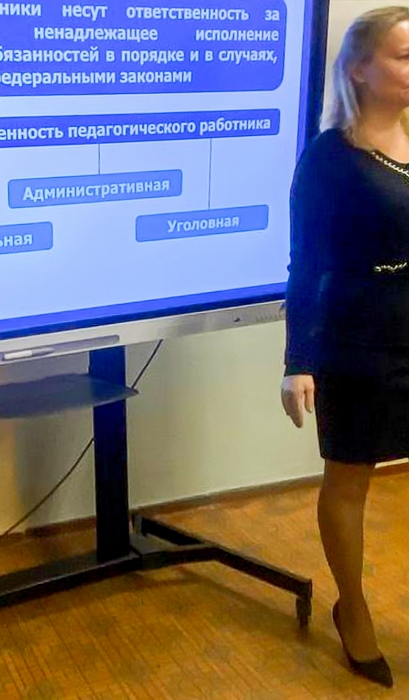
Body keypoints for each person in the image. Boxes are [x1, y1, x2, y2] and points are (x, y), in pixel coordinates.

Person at [281, 5, 409, 689]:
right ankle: (352, 608)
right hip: (357, 336)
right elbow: (304, 264)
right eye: (405, 56)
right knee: (350, 478)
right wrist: (297, 361)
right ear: (359, 68)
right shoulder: (330, 158)